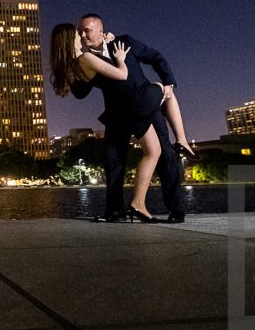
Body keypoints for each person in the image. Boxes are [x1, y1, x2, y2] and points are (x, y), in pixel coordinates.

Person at [50, 14, 195, 223]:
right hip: (117, 113)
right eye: (79, 32)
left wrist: (169, 82)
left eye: (86, 31)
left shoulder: (123, 42)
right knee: (113, 161)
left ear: (101, 30)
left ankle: (175, 208)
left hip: (144, 103)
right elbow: (83, 90)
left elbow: (156, 57)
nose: (82, 35)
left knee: (164, 154)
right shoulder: (86, 57)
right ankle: (116, 210)